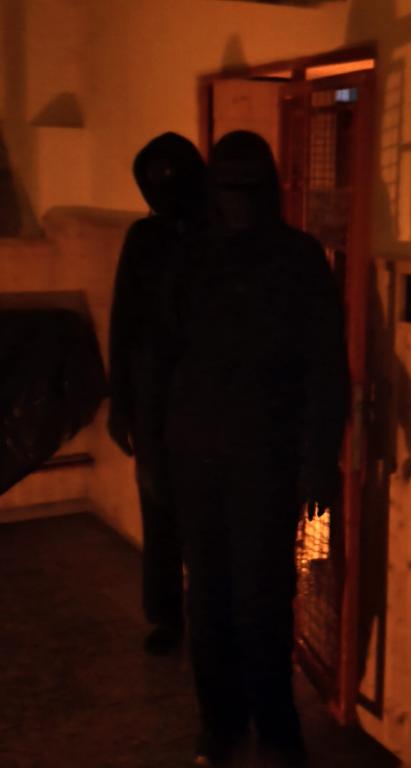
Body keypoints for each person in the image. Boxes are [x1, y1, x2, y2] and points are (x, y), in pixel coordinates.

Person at [165, 130, 349, 767]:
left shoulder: (296, 259)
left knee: (262, 596)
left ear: (265, 189)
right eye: (226, 189)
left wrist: (318, 461)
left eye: (246, 189)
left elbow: (326, 366)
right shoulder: (193, 257)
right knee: (211, 597)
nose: (236, 202)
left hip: (265, 459)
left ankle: (271, 725)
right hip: (203, 454)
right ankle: (223, 723)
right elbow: (166, 357)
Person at [107, 132, 206, 655]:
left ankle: (204, 614)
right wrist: (121, 403)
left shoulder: (214, 237)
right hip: (153, 400)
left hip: (201, 399)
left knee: (201, 511)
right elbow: (124, 320)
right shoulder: (144, 238)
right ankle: (168, 616)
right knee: (160, 508)